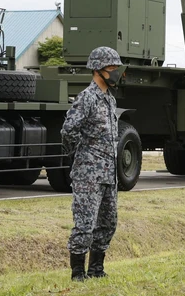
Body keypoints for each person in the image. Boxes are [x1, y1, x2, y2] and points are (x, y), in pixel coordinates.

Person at [61, 46, 124, 282]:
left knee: (108, 223)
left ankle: (97, 269)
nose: (117, 72)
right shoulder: (87, 97)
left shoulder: (109, 99)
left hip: (109, 175)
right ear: (99, 69)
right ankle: (78, 273)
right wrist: (80, 155)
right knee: (84, 224)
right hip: (89, 175)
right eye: (112, 68)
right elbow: (69, 130)